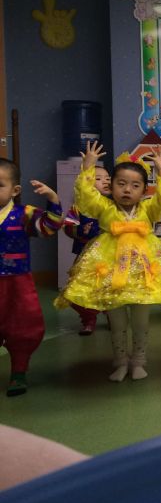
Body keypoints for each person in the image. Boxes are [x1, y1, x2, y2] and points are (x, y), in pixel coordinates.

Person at [57, 142, 161, 382]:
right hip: (110, 265)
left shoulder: (148, 209)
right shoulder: (104, 207)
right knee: (117, 319)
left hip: (143, 270)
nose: (127, 190)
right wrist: (88, 168)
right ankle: (120, 361)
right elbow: (86, 198)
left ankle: (139, 360)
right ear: (110, 187)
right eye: (121, 184)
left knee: (141, 319)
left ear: (144, 191)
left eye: (135, 186)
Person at [0, 158, 64, 396]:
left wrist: (53, 200)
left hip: (17, 282)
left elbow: (51, 226)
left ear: (15, 190)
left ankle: (18, 371)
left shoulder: (23, 214)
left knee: (22, 326)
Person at [63, 163, 109, 335]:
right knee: (78, 290)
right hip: (86, 259)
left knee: (110, 289)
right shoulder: (77, 207)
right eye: (98, 178)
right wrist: (81, 230)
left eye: (107, 178)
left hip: (109, 258)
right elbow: (68, 227)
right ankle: (88, 318)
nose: (104, 181)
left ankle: (112, 316)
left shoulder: (113, 204)